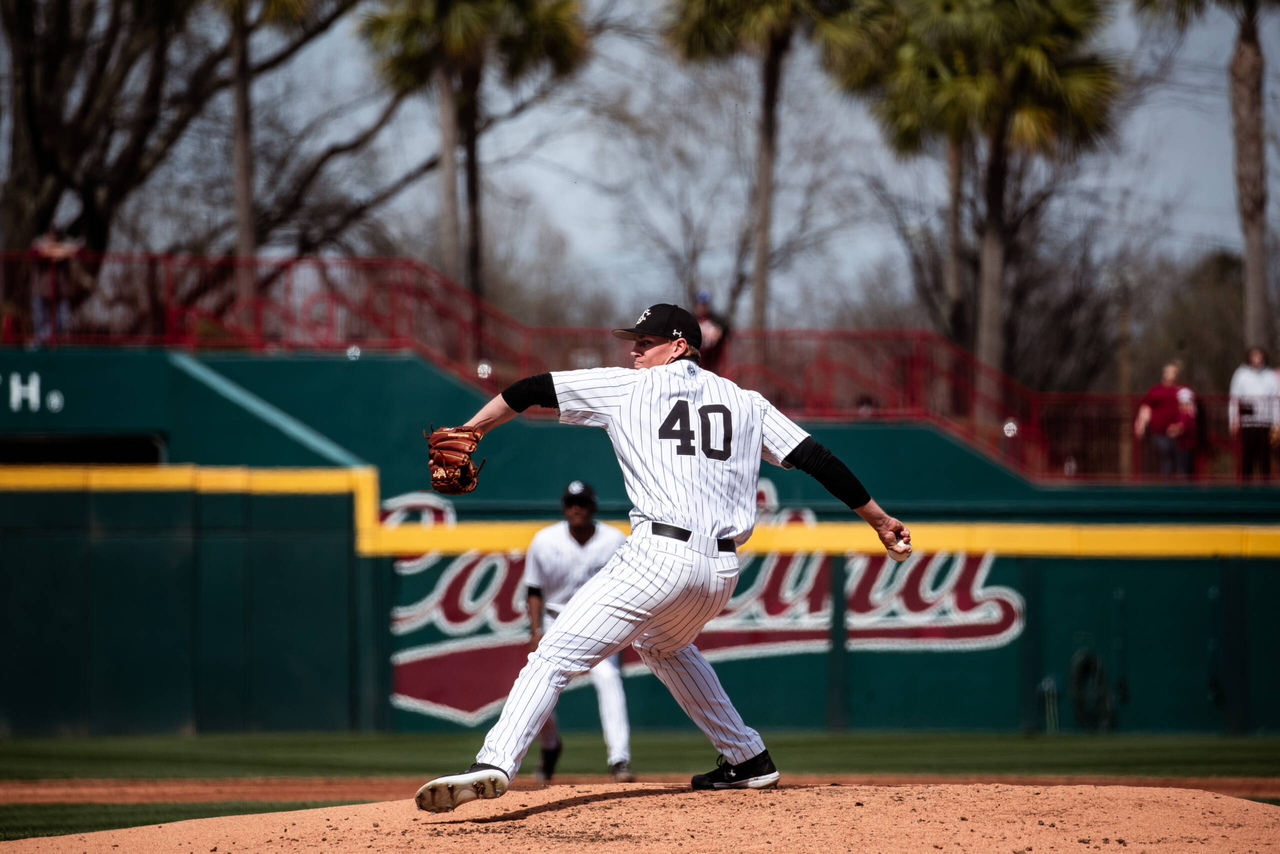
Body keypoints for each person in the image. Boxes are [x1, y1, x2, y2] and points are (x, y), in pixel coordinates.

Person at [415, 303, 911, 813]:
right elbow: (816, 459)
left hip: (659, 556)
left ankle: (494, 762)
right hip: (720, 571)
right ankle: (747, 757)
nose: (634, 351)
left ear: (678, 346)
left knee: (553, 656)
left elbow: (530, 389)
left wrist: (471, 429)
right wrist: (878, 519)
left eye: (645, 343)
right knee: (664, 647)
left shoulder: (628, 387)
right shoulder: (747, 403)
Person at [524, 479, 634, 783]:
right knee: (538, 683)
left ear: (593, 507)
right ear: (564, 507)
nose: (577, 508)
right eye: (571, 503)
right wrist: (535, 630)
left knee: (609, 678)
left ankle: (619, 759)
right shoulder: (544, 540)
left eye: (583, 503)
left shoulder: (614, 539)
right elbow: (534, 589)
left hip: (600, 621)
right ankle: (550, 746)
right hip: (555, 620)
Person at [1134, 360, 1196, 478]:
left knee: (1182, 460)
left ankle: (1182, 483)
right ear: (1164, 374)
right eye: (1169, 372)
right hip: (1160, 433)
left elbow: (1189, 408)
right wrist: (1140, 424)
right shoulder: (1156, 390)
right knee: (1167, 453)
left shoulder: (1182, 390)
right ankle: (1167, 482)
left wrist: (1180, 426)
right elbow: (1145, 407)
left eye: (1174, 372)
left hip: (1180, 435)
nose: (1172, 375)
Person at [1229, 347, 1280, 480]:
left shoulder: (1270, 375)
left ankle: (1265, 486)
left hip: (1265, 421)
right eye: (1254, 356)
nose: (1256, 359)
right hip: (1247, 422)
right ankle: (1246, 486)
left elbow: (1276, 399)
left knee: (1264, 457)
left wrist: (1277, 422)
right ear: (1249, 357)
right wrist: (1233, 419)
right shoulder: (1241, 374)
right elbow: (1234, 398)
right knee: (1247, 456)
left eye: (1259, 356)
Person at [693, 290, 730, 373]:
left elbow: (726, 329)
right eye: (700, 304)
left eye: (705, 304)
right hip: (695, 359)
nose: (702, 307)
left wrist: (719, 332)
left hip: (712, 360)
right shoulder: (690, 318)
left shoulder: (715, 319)